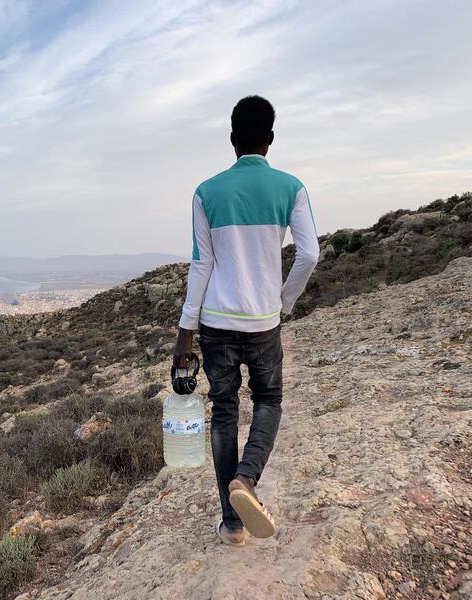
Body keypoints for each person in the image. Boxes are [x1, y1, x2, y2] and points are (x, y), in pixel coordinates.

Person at [173, 95, 319, 546]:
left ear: (232, 139)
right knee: (269, 401)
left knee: (223, 413)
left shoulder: (206, 192)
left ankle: (232, 523)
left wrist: (185, 334)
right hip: (263, 321)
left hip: (215, 322)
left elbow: (201, 266)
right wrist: (283, 301)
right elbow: (310, 253)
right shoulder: (291, 187)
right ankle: (247, 480)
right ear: (269, 140)